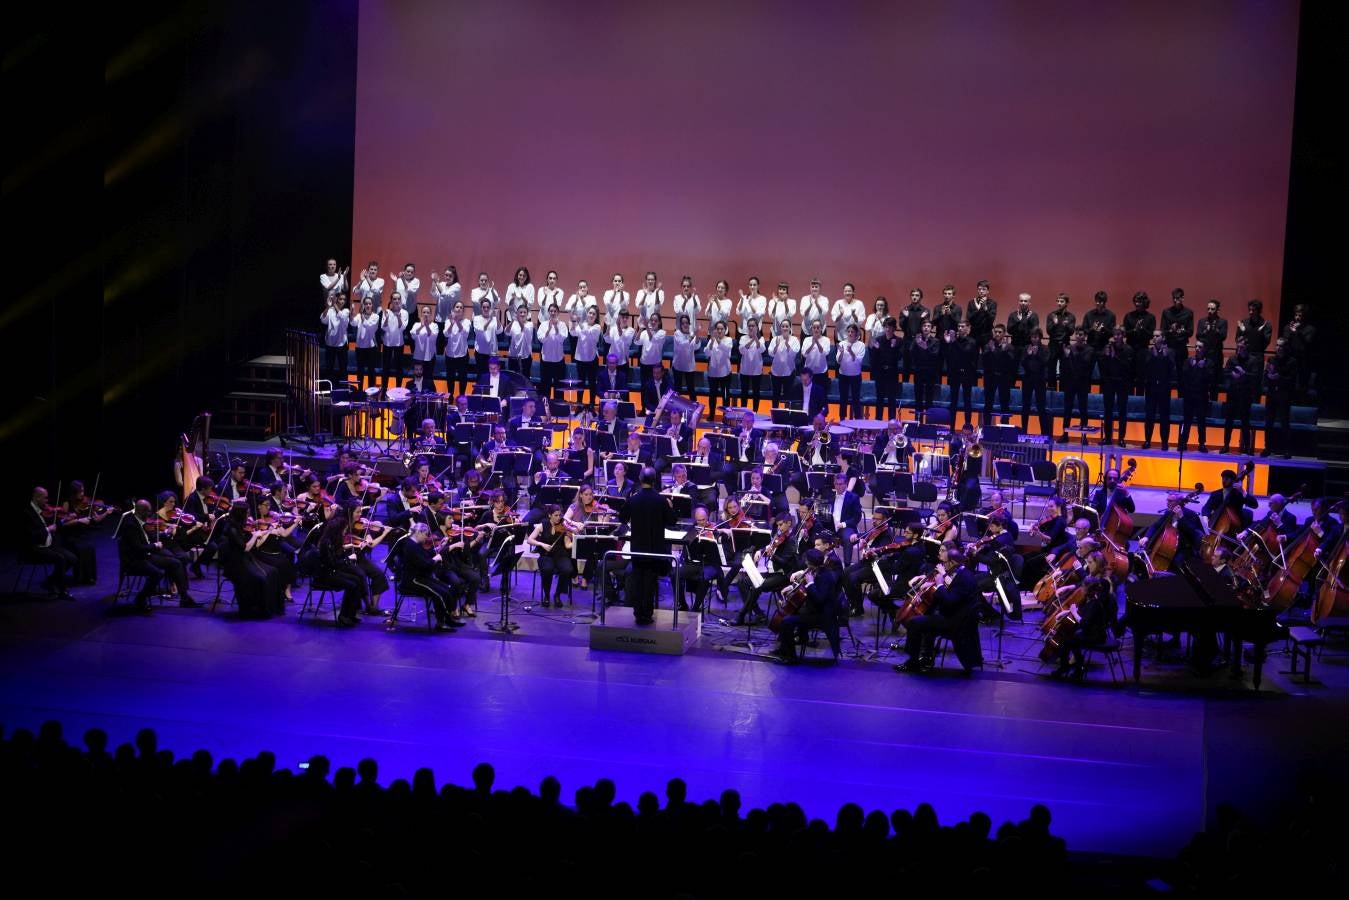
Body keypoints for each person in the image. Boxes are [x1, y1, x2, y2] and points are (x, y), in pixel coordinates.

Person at [894, 544, 983, 675]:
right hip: (955, 616)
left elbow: (949, 600)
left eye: (945, 563)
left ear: (952, 562)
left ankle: (913, 662)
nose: (943, 566)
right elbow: (950, 596)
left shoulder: (963, 578)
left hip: (956, 622)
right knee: (927, 618)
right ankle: (926, 657)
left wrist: (940, 584)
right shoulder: (961, 573)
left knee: (914, 622)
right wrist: (929, 589)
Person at [618, 467, 675, 624]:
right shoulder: (661, 500)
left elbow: (622, 518)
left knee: (638, 579)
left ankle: (638, 613)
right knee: (650, 581)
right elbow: (672, 521)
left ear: (640, 479)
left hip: (637, 547)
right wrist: (669, 507)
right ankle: (647, 614)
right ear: (654, 480)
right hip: (655, 548)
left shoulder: (633, 499)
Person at [772, 548, 842, 663]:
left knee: (786, 621)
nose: (805, 564)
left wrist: (810, 583)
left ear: (812, 563)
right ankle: (784, 649)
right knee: (787, 615)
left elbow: (819, 599)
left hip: (822, 615)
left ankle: (791, 657)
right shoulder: (814, 571)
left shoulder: (826, 576)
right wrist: (791, 587)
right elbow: (803, 588)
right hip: (813, 609)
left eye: (807, 562)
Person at [216, 501, 282, 619]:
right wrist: (255, 536)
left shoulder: (239, 525)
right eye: (247, 513)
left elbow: (249, 542)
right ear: (240, 514)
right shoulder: (232, 529)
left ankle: (272, 608)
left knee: (273, 572)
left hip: (244, 559)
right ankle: (255, 610)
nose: (248, 515)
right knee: (260, 578)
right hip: (235, 564)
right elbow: (245, 548)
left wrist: (265, 531)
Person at [1049, 570, 1117, 680]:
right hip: (1089, 633)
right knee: (1070, 639)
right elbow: (1081, 612)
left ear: (1087, 589)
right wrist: (1067, 613)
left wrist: (1074, 613)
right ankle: (1076, 669)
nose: (1081, 588)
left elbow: (1084, 623)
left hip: (1096, 636)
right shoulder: (1088, 600)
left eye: (1083, 587)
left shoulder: (1095, 604)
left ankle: (1068, 668)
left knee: (1067, 641)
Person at [733, 513, 797, 625]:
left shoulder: (791, 541)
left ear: (789, 523)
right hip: (770, 573)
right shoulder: (779, 536)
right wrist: (761, 551)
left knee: (757, 586)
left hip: (781, 575)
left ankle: (741, 616)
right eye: (777, 525)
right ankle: (759, 614)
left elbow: (784, 563)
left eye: (781, 525)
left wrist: (771, 555)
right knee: (742, 582)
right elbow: (770, 546)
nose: (779, 528)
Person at [397, 522, 463, 631]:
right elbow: (424, 565)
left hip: (420, 577)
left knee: (446, 589)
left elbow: (426, 555)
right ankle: (441, 623)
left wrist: (440, 547)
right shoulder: (410, 546)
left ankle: (447, 619)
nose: (426, 537)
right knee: (439, 594)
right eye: (425, 534)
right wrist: (435, 560)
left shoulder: (415, 544)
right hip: (413, 580)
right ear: (418, 532)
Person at [24, 486, 78, 599]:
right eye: (45, 498)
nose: (47, 502)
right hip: (35, 547)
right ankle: (62, 590)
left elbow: (54, 525)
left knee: (72, 558)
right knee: (61, 558)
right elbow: (30, 535)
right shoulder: (27, 512)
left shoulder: (41, 510)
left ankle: (51, 581)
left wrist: (65, 519)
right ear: (37, 498)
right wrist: (48, 529)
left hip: (48, 545)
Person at [1222, 338, 1259, 455]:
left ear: (1247, 348)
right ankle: (1226, 445)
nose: (1239, 350)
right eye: (1238, 347)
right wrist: (1231, 374)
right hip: (1232, 394)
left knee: (1245, 422)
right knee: (1229, 422)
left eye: (1241, 348)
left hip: (1245, 395)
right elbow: (1225, 372)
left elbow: (1255, 376)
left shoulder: (1253, 360)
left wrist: (1243, 374)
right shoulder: (1233, 358)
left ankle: (1247, 447)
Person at [1098, 327, 1133, 447]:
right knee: (1108, 411)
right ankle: (1107, 438)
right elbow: (1101, 365)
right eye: (1114, 335)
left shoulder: (1128, 349)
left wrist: (1115, 357)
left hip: (1122, 383)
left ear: (1123, 335)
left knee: (1122, 411)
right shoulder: (1107, 348)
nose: (1116, 337)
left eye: (1118, 334)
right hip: (1109, 383)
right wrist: (1106, 356)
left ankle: (1121, 438)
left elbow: (1128, 367)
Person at [1262, 338, 1297, 458]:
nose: (1278, 348)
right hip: (1271, 394)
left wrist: (1279, 378)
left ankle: (1286, 450)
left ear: (1285, 348)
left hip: (1284, 395)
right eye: (1277, 345)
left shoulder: (1292, 361)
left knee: (1284, 423)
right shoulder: (1271, 359)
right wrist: (1269, 377)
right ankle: (1267, 448)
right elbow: (1265, 375)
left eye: (1281, 346)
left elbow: (1292, 380)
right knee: (1268, 422)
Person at [1141, 331, 1175, 451]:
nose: (1154, 338)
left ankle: (1164, 442)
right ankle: (1147, 440)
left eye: (1157, 336)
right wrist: (1153, 357)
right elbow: (1145, 367)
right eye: (1153, 336)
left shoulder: (1169, 352)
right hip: (1151, 388)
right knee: (1149, 416)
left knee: (1164, 417)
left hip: (1164, 388)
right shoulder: (1149, 352)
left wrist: (1165, 357)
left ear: (1163, 338)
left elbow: (1172, 368)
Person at [1059, 329, 1094, 440]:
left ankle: (1084, 437)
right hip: (1070, 382)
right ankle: (1065, 434)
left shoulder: (1089, 349)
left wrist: (1071, 355)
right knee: (1067, 409)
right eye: (1077, 334)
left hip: (1083, 383)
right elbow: (1064, 365)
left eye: (1081, 334)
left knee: (1083, 410)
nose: (1079, 336)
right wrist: (1065, 356)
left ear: (1085, 336)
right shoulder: (1069, 348)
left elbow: (1085, 362)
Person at [1178, 343, 1213, 452]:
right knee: (1186, 420)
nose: (1197, 349)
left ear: (1204, 349)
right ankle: (1183, 443)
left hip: (1202, 396)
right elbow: (1183, 377)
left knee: (1201, 421)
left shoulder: (1209, 363)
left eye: (1200, 347)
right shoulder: (1188, 361)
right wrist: (1192, 367)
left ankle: (1202, 444)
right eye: (1196, 347)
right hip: (1189, 396)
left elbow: (1210, 380)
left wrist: (1203, 369)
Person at [946, 320, 979, 429]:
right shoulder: (953, 341)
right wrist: (948, 343)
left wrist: (953, 342)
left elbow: (965, 353)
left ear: (967, 328)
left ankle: (968, 427)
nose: (959, 328)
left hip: (967, 374)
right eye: (958, 326)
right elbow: (949, 356)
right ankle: (951, 428)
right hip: (955, 374)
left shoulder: (972, 341)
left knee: (967, 401)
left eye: (962, 326)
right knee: (953, 401)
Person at [1122, 291, 1156, 395]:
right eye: (1136, 301)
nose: (1137, 304)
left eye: (1139, 301)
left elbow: (1151, 335)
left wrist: (1142, 329)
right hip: (1130, 350)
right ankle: (1129, 402)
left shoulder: (1150, 317)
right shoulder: (1128, 316)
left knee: (1142, 379)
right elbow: (1125, 333)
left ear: (1145, 302)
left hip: (1143, 350)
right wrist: (1134, 330)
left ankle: (1140, 403)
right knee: (1129, 379)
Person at [1019, 329, 1051, 437]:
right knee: (1025, 406)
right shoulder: (1026, 348)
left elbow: (1045, 362)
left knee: (1041, 407)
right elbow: (1022, 363)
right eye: (1032, 337)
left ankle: (1044, 432)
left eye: (1036, 337)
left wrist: (1037, 355)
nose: (1034, 339)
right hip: (1028, 380)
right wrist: (1028, 355)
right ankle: (1024, 431)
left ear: (1040, 337)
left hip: (1040, 380)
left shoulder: (1045, 349)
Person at [981, 324, 1015, 425]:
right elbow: (984, 360)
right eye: (996, 332)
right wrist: (991, 350)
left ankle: (1004, 427)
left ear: (1004, 334)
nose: (997, 334)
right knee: (988, 403)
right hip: (990, 378)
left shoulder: (1009, 347)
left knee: (1004, 404)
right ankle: (986, 427)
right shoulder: (988, 345)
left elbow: (1011, 361)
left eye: (1000, 332)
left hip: (1004, 378)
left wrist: (1003, 351)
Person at [869, 317, 902, 420]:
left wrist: (893, 348)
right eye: (886, 327)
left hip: (892, 373)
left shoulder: (898, 341)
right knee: (880, 399)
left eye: (890, 327)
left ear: (894, 328)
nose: (888, 329)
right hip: (880, 373)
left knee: (891, 400)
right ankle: (878, 423)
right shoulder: (878, 340)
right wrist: (874, 349)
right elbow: (874, 359)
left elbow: (898, 358)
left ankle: (891, 423)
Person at [1195, 299, 1228, 401]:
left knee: (1214, 382)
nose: (1209, 311)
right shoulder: (1202, 321)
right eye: (1208, 309)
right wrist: (1208, 332)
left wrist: (1213, 331)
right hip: (1204, 355)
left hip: (1216, 355)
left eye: (1212, 309)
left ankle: (1213, 403)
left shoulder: (1222, 322)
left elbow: (1222, 337)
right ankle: (1201, 402)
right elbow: (1198, 336)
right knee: (1202, 380)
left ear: (1218, 310)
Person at [572, 304, 603, 407]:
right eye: (590, 313)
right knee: (580, 383)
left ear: (596, 316)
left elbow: (588, 333)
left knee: (592, 383)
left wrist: (579, 323)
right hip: (580, 358)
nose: (591, 315)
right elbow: (573, 333)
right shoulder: (582, 324)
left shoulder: (597, 327)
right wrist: (573, 322)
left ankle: (591, 405)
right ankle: (579, 405)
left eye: (594, 314)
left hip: (591, 359)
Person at [704, 320, 735, 421]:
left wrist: (717, 341)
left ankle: (725, 417)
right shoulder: (712, 340)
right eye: (718, 329)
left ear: (725, 330)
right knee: (712, 396)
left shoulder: (729, 340)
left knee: (725, 396)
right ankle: (711, 415)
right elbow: (707, 353)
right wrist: (712, 341)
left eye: (722, 329)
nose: (719, 331)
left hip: (725, 373)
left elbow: (726, 352)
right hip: (713, 372)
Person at [1044, 293, 1075, 391]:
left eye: (1061, 301)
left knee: (1065, 369)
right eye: (1058, 301)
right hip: (1053, 344)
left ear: (1066, 303)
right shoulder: (1051, 315)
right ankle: (1051, 389)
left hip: (1065, 344)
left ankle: (1062, 391)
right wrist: (1055, 323)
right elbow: (1048, 331)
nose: (1059, 303)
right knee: (1051, 369)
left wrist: (1066, 325)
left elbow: (1071, 332)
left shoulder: (1071, 316)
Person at [443, 299, 473, 398]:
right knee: (450, 378)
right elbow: (446, 334)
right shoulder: (448, 321)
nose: (459, 309)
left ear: (463, 311)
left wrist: (456, 321)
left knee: (462, 378)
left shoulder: (467, 321)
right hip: (450, 354)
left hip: (462, 354)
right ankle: (450, 397)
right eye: (457, 307)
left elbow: (465, 334)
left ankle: (462, 397)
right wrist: (452, 323)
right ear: (453, 309)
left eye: (461, 307)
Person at [537, 306, 569, 401]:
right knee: (545, 385)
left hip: (558, 359)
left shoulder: (562, 324)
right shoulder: (543, 324)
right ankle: (545, 407)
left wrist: (556, 328)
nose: (553, 313)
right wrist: (548, 330)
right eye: (551, 311)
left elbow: (562, 339)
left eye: (555, 311)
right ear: (548, 312)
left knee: (558, 386)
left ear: (558, 312)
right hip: (546, 359)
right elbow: (541, 339)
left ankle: (557, 408)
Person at [767, 319, 800, 410]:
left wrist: (787, 344)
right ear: (780, 328)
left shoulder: (794, 339)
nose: (785, 328)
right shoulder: (775, 339)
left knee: (788, 395)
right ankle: (774, 414)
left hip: (789, 372)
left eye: (786, 326)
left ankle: (788, 416)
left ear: (790, 328)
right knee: (775, 395)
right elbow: (771, 353)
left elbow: (794, 353)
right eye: (783, 326)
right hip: (776, 372)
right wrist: (777, 346)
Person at [319, 294, 351, 385]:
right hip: (330, 343)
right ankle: (329, 388)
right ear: (337, 299)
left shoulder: (346, 311)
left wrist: (334, 305)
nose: (342, 301)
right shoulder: (331, 310)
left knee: (343, 368)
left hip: (342, 343)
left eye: (344, 299)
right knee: (329, 368)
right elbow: (323, 320)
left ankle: (343, 389)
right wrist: (327, 308)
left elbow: (342, 317)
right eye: (340, 299)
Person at [379, 293, 409, 388]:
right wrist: (387, 318)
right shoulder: (386, 312)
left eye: (398, 299)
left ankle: (398, 389)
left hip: (399, 343)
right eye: (394, 299)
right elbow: (384, 328)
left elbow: (402, 328)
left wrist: (399, 317)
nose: (396, 301)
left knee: (398, 368)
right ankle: (384, 389)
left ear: (400, 300)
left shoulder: (404, 313)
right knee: (386, 368)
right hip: (387, 342)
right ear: (391, 300)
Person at [737, 317, 766, 414]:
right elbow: (742, 350)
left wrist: (756, 338)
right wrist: (751, 340)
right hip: (745, 369)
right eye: (749, 326)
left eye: (753, 326)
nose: (751, 328)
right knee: (744, 392)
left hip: (756, 370)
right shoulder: (743, 338)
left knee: (756, 393)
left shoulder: (761, 339)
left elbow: (761, 349)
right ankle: (743, 412)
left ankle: (755, 412)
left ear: (757, 327)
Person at [408, 306, 439, 392]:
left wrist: (426, 326)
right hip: (418, 357)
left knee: (428, 380)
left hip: (429, 358)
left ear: (431, 315)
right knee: (417, 379)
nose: (425, 315)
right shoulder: (416, 325)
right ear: (421, 315)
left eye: (427, 313)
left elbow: (432, 336)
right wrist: (422, 326)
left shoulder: (434, 325)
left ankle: (429, 398)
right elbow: (413, 335)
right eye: (424, 312)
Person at [1161, 287, 1194, 367]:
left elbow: (1190, 332)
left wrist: (1183, 331)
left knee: (1181, 371)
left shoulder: (1188, 313)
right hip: (1169, 346)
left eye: (1177, 298)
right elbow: (1163, 330)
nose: (1175, 301)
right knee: (1168, 370)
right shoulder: (1166, 312)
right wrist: (1170, 331)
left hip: (1181, 347)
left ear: (1182, 298)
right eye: (1174, 298)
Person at [352, 296, 380, 387]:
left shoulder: (375, 316)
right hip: (360, 347)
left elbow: (369, 326)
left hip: (371, 347)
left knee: (371, 371)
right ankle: (360, 391)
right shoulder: (359, 316)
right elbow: (353, 323)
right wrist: (352, 313)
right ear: (363, 305)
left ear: (372, 305)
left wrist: (362, 316)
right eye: (366, 303)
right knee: (360, 371)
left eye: (369, 303)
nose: (368, 305)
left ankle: (370, 392)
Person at [505, 305, 535, 380]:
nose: (522, 314)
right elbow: (506, 332)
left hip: (525, 357)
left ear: (527, 314)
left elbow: (524, 329)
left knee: (524, 380)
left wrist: (518, 320)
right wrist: (512, 321)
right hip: (513, 356)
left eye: (524, 312)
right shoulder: (514, 324)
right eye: (520, 312)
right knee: (512, 379)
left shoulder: (530, 324)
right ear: (517, 314)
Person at [966, 279, 997, 345]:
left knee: (987, 354)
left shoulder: (992, 303)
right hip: (974, 333)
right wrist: (978, 310)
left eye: (984, 289)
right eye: (979, 289)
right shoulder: (972, 302)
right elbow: (968, 319)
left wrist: (986, 309)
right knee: (973, 354)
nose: (981, 291)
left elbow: (992, 319)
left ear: (988, 291)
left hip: (986, 334)